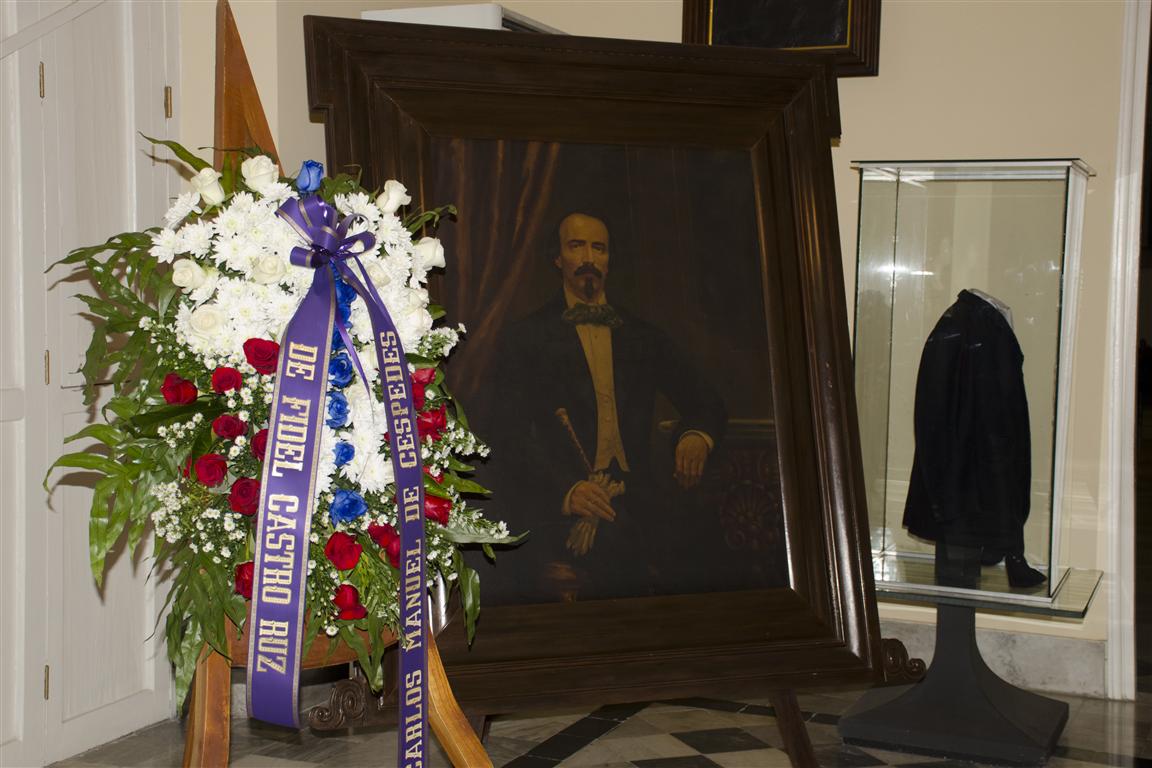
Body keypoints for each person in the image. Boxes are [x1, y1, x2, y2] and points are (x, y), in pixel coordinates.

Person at [482, 212, 727, 602]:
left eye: (599, 248)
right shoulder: (526, 337)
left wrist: (695, 436)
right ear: (558, 258)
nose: (588, 258)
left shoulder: (642, 336)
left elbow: (706, 401)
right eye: (576, 246)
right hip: (559, 502)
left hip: (640, 495)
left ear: (609, 260)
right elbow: (506, 434)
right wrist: (567, 490)